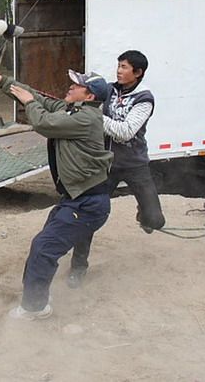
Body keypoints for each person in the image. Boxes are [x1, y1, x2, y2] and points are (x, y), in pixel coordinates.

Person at [0, 61, 113, 319]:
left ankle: (35, 308)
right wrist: (0, 79)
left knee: (43, 248)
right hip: (76, 201)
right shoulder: (73, 110)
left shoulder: (86, 118)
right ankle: (38, 297)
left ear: (89, 96)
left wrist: (30, 102)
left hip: (87, 204)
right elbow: (37, 97)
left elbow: (42, 122)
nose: (71, 87)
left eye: (77, 85)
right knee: (43, 247)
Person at [68, 50, 166, 288]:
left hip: (135, 165)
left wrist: (92, 114)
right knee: (89, 216)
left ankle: (144, 215)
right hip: (106, 165)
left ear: (138, 72)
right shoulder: (108, 90)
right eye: (118, 66)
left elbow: (125, 132)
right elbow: (83, 99)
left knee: (155, 220)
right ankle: (78, 268)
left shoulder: (144, 99)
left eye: (124, 67)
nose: (119, 71)